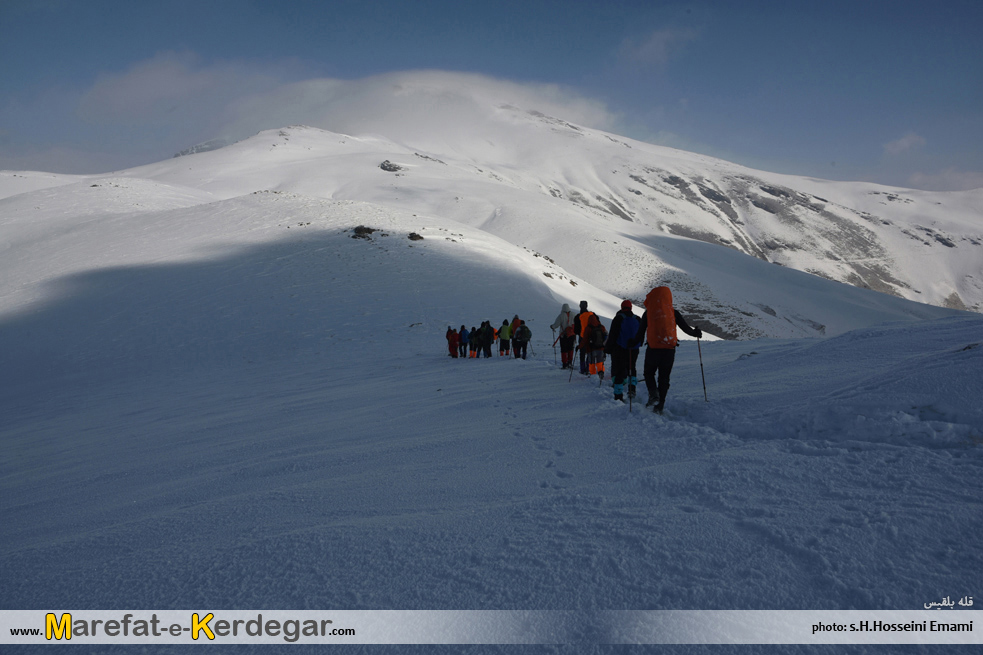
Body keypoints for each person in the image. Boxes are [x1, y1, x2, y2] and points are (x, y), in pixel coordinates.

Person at [632, 286, 703, 413]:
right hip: (669, 350)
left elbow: (640, 333)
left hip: (653, 349)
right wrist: (696, 333)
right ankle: (660, 406)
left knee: (649, 373)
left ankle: (653, 395)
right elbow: (686, 329)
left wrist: (632, 342)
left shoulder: (648, 313)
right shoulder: (673, 312)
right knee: (664, 378)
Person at [605, 300, 641, 402]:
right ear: (631, 307)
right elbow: (641, 334)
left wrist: (608, 348)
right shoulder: (637, 319)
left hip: (620, 349)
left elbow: (613, 335)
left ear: (622, 307)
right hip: (634, 349)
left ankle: (618, 395)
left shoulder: (618, 318)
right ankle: (632, 390)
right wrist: (637, 344)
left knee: (620, 371)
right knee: (632, 368)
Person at [550, 303, 576, 369]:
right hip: (572, 335)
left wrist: (552, 327)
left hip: (563, 335)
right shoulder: (573, 314)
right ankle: (570, 362)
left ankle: (564, 363)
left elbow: (556, 324)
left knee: (564, 350)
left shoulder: (561, 315)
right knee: (571, 349)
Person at [572, 300, 595, 375]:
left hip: (582, 337)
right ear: (587, 306)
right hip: (590, 336)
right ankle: (588, 368)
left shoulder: (577, 317)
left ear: (580, 306)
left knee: (582, 352)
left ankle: (582, 369)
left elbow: (575, 330)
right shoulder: (591, 315)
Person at [584, 314, 607, 380]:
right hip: (600, 348)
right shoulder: (601, 327)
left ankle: (593, 374)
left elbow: (585, 339)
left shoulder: (588, 328)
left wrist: (580, 346)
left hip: (591, 349)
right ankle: (601, 372)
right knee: (600, 362)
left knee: (592, 362)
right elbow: (606, 336)